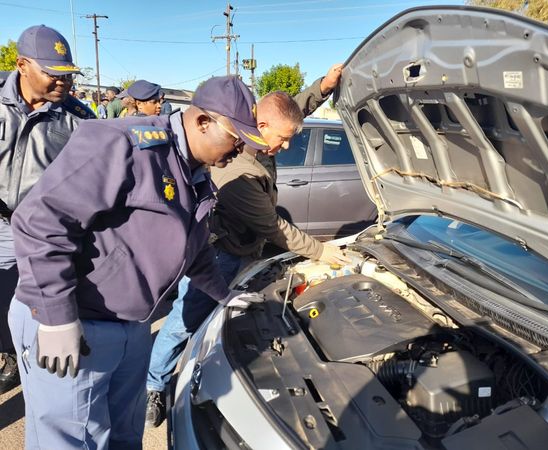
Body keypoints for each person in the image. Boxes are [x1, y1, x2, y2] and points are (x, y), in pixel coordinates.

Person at [9, 76, 266, 449]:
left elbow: (194, 251)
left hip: (130, 327)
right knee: (70, 441)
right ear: (202, 121)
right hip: (76, 323)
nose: (241, 148)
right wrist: (56, 316)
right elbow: (40, 222)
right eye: (236, 137)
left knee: (124, 435)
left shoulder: (196, 175)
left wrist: (224, 295)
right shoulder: (123, 143)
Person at [145, 64, 349, 427]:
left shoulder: (263, 132)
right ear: (261, 129)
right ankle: (154, 386)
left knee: (223, 322)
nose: (284, 147)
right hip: (221, 256)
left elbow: (290, 110)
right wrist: (322, 252)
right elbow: (275, 228)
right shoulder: (237, 170)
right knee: (183, 322)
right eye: (282, 140)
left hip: (247, 252)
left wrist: (323, 87)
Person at [0, 25, 94, 395]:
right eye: (52, 73)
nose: (63, 82)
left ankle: (23, 364)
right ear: (22, 65)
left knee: (39, 305)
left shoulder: (79, 120)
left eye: (67, 75)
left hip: (43, 234)